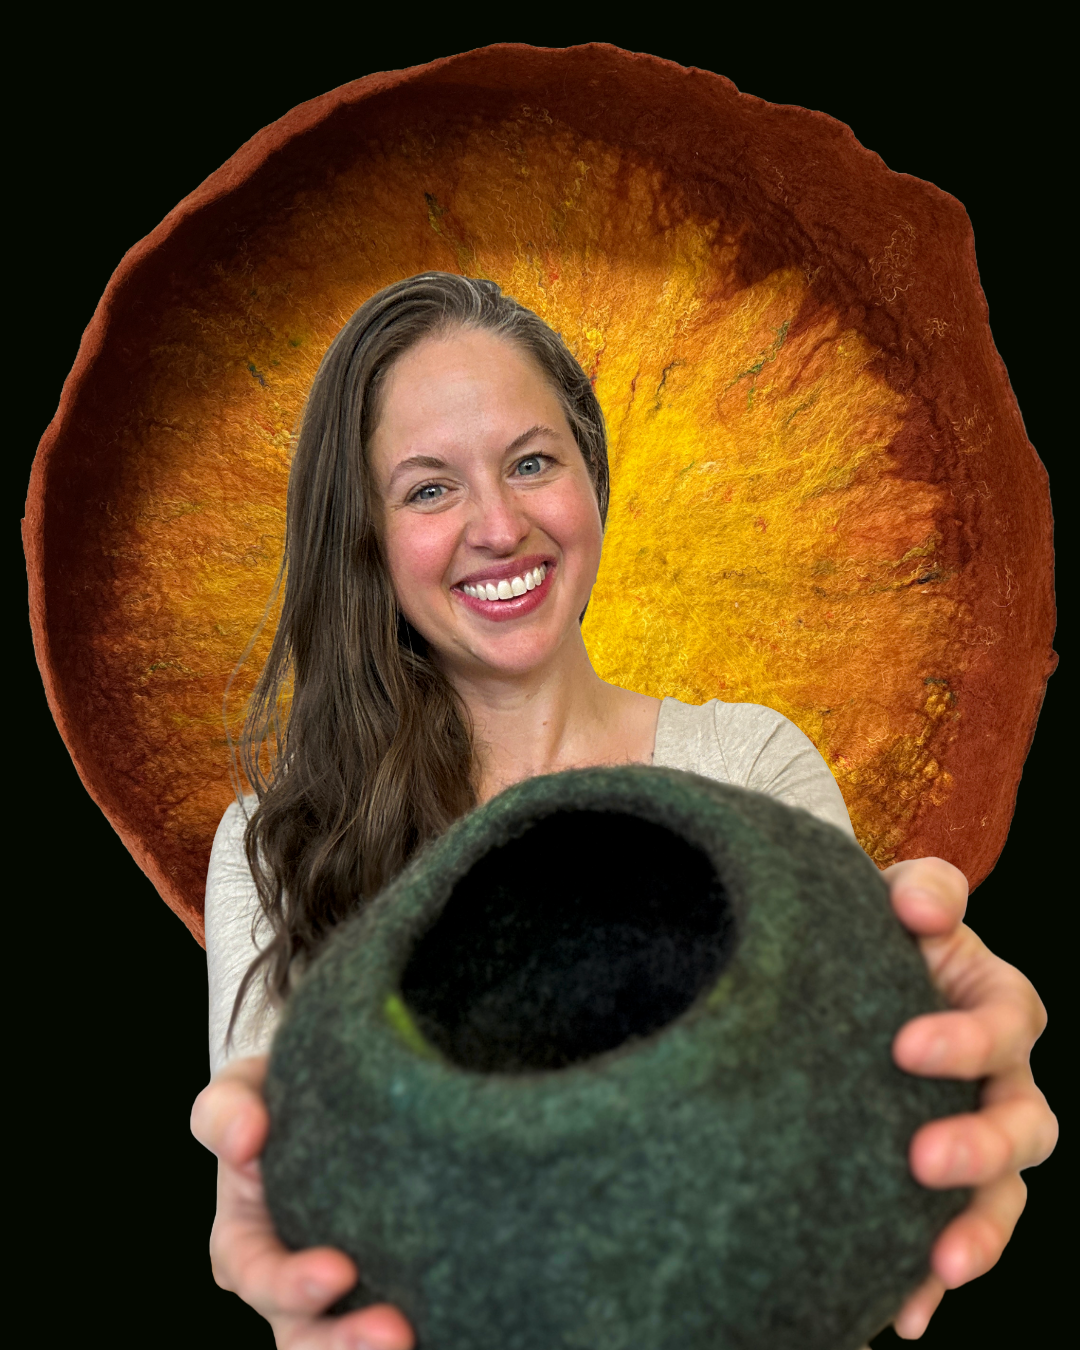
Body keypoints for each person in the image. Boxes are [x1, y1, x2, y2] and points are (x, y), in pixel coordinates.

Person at [191, 273, 1057, 1350]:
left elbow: (846, 1096)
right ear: (363, 534)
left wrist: (935, 1069)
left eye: (532, 462)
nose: (499, 525)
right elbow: (288, 1229)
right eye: (429, 490)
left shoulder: (748, 760)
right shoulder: (275, 846)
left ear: (591, 475)